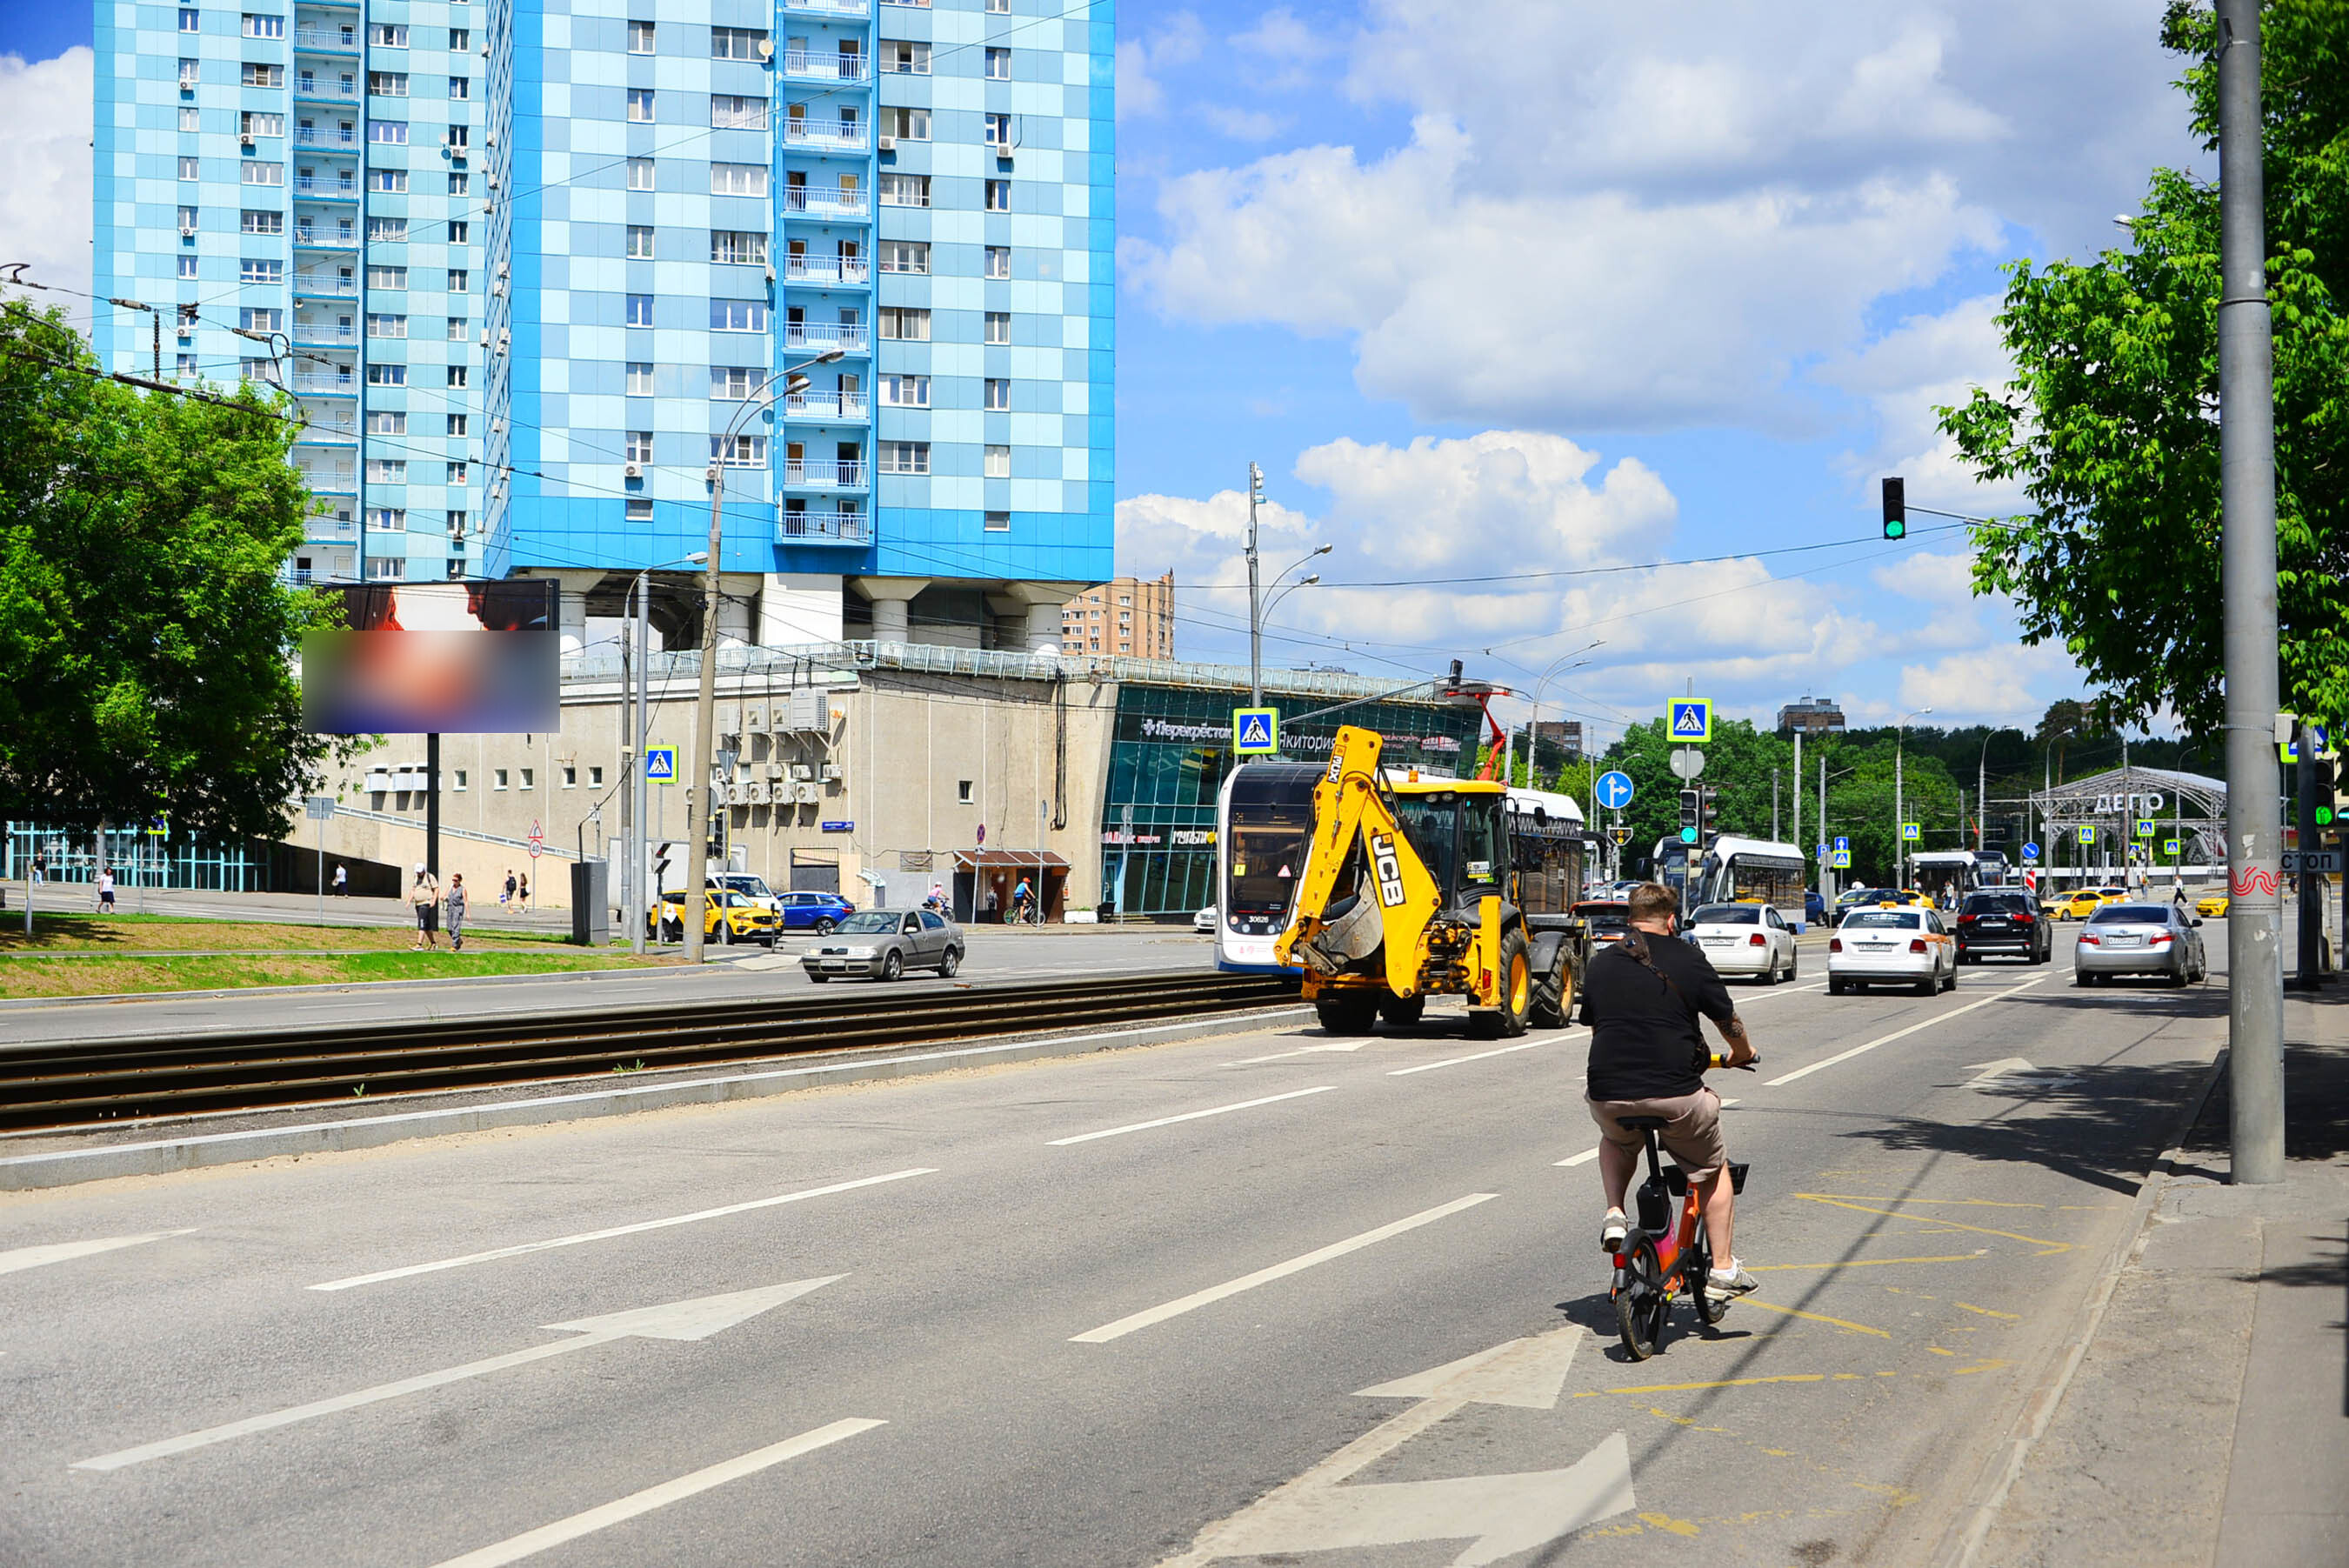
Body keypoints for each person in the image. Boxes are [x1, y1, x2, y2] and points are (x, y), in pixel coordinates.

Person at [1580, 881, 1758, 1301]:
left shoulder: (1602, 963)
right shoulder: (1689, 959)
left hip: (1607, 1092)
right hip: (1675, 1095)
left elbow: (1596, 1023)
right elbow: (1726, 1020)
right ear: (1672, 920)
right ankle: (1722, 1270)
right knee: (1712, 1170)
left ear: (1631, 919)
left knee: (1616, 1139)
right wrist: (1741, 1053)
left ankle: (1614, 1213)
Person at [409, 863, 441, 950]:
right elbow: (413, 889)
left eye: (420, 872)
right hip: (418, 903)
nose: (419, 874)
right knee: (427, 925)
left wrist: (434, 900)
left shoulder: (430, 877)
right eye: (417, 872)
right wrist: (409, 901)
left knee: (421, 922)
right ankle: (433, 943)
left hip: (426, 903)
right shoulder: (416, 878)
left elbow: (436, 889)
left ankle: (419, 944)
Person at [444, 871, 469, 951]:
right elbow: (446, 895)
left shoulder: (462, 889)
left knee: (456, 927)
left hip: (458, 909)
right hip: (450, 908)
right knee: (449, 927)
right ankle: (458, 940)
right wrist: (443, 898)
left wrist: (468, 913)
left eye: (456, 880)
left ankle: (454, 945)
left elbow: (466, 901)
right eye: (453, 880)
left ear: (460, 881)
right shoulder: (450, 887)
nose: (454, 882)